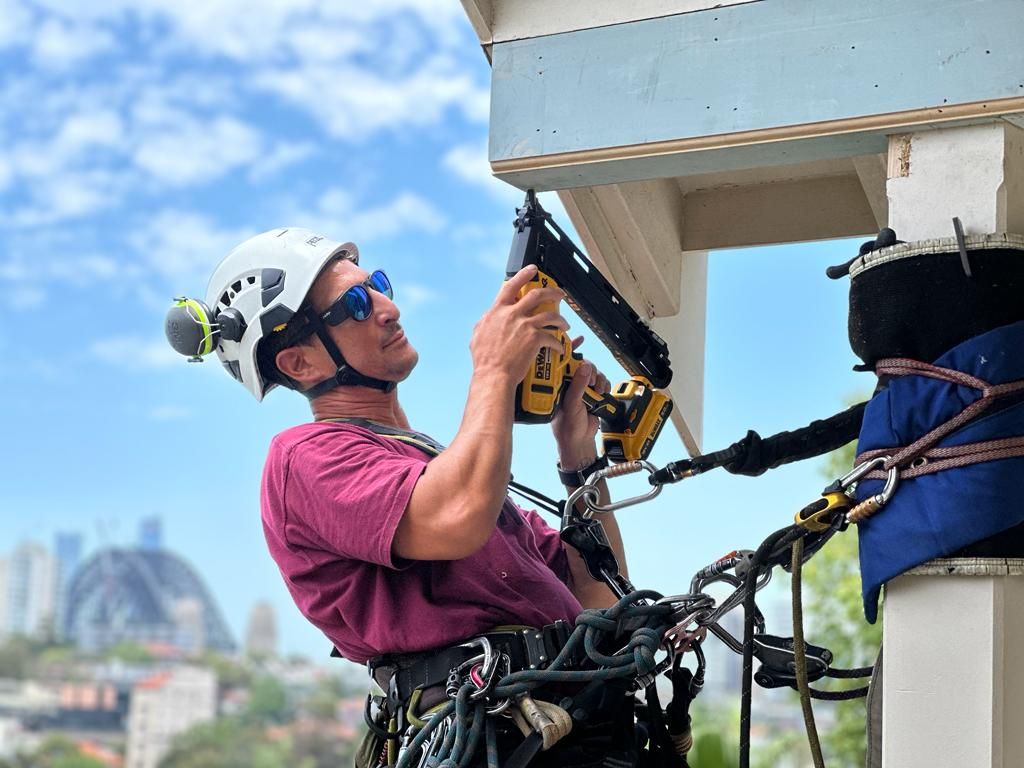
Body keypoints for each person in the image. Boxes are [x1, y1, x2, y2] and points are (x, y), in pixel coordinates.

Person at [193, 227, 638, 763]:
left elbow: (602, 592)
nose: (387, 308)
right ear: (299, 363)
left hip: (579, 731)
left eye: (378, 284)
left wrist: (578, 458)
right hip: (493, 740)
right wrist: (495, 369)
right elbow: (457, 517)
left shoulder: (443, 470)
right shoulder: (305, 458)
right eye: (355, 304)